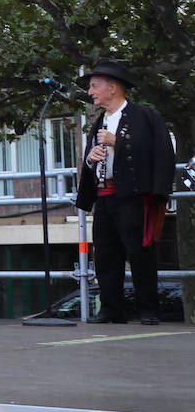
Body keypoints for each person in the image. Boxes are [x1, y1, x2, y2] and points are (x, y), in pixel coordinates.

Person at [75, 61, 175, 325]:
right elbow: (92, 157)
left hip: (133, 196)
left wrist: (117, 142)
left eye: (94, 86)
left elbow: (160, 154)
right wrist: (90, 159)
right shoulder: (100, 121)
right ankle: (112, 309)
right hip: (105, 196)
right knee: (106, 256)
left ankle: (148, 310)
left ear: (113, 87)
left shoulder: (144, 116)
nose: (91, 91)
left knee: (140, 254)